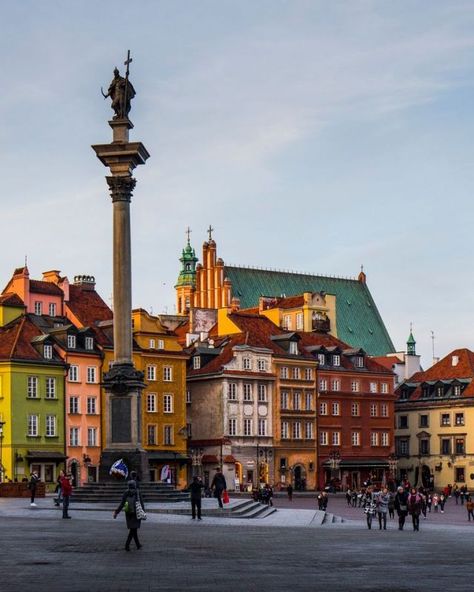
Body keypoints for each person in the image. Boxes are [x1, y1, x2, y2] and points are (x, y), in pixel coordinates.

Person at [113, 480, 145, 551]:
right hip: (136, 512)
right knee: (133, 530)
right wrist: (143, 511)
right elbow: (141, 503)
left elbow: (122, 504)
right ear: (134, 485)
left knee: (133, 529)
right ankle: (127, 545)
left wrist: (116, 512)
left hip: (128, 513)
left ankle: (138, 545)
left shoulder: (126, 492)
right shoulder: (137, 492)